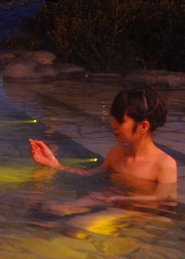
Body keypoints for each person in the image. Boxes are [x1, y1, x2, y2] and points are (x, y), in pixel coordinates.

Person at [28, 87, 177, 212]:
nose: (113, 125)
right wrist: (54, 164)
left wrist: (120, 198)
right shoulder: (117, 153)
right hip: (110, 199)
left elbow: (160, 199)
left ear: (143, 126)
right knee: (54, 208)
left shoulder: (164, 164)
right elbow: (87, 174)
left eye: (120, 121)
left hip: (140, 212)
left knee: (77, 225)